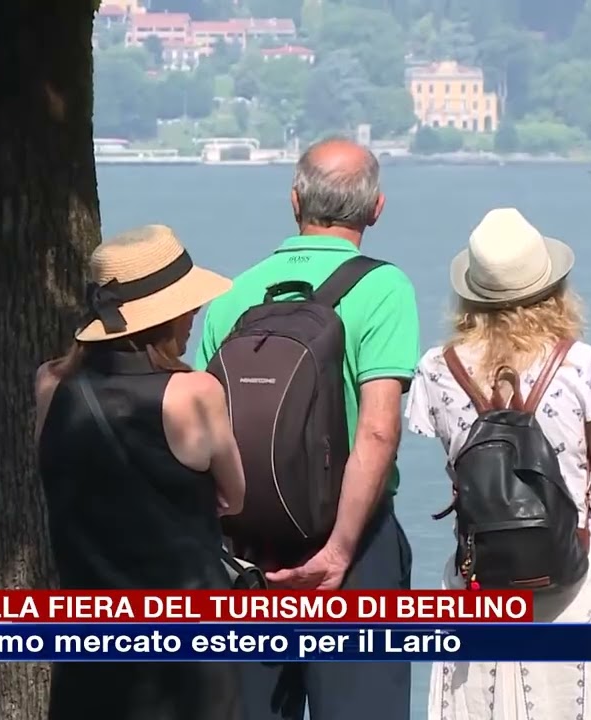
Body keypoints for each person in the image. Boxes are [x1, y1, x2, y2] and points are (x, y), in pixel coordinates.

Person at [404, 207, 591, 720]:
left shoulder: (437, 370)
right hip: (583, 577)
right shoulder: (580, 364)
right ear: (553, 288)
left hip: (485, 581)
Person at [195, 137, 419, 720]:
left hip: (246, 558)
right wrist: (340, 552)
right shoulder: (384, 288)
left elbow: (201, 432)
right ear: (377, 209)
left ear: (294, 201)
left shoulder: (232, 296)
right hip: (354, 547)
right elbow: (376, 432)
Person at [35, 224, 246, 720]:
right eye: (187, 305)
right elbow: (235, 497)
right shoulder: (195, 393)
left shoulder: (50, 384)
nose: (194, 314)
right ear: (165, 315)